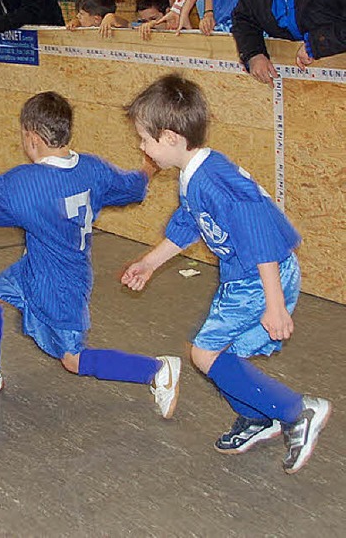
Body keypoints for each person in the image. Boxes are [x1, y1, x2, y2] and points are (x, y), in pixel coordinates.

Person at [122, 74, 332, 474]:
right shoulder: (196, 174)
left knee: (205, 353)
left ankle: (296, 410)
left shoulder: (213, 181)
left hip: (258, 276)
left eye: (144, 140)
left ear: (169, 138)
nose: (141, 148)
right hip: (247, 277)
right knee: (225, 356)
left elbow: (258, 235)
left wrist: (274, 305)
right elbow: (189, 225)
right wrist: (150, 262)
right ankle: (257, 415)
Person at [0, 91, 182, 419]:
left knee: (72, 360)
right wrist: (149, 167)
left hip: (60, 285)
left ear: (32, 137)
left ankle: (156, 370)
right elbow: (131, 187)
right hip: (39, 265)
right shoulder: (92, 169)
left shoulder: (25, 184)